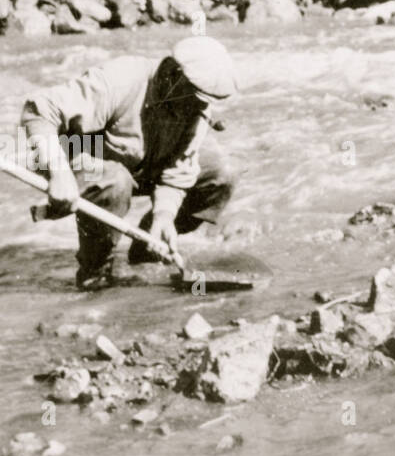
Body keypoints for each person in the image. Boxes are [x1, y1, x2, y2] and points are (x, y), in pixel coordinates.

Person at [21, 36, 238, 290]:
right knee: (115, 179)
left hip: (139, 166)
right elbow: (39, 109)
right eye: (194, 97)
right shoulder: (121, 79)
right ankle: (95, 271)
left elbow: (178, 171)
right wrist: (58, 172)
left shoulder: (196, 106)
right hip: (73, 158)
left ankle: (148, 245)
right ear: (171, 72)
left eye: (203, 101)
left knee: (222, 173)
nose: (197, 107)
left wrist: (165, 216)